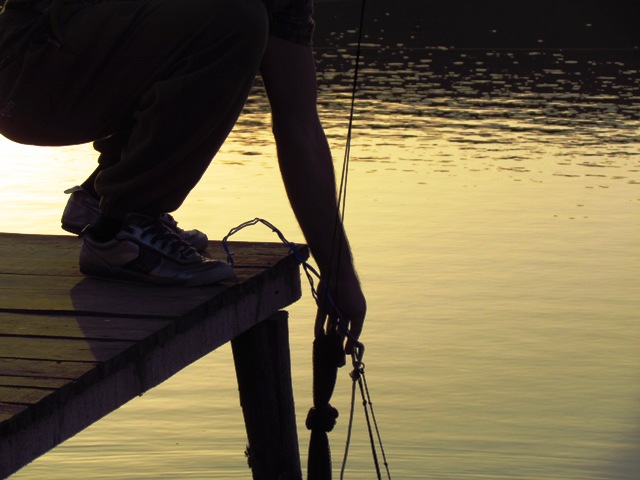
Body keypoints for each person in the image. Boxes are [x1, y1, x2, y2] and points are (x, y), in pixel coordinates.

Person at [0, 0, 365, 350]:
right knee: (234, 20)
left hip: (74, 78)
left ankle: (101, 202)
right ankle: (119, 229)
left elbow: (300, 127)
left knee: (231, 20)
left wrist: (338, 273)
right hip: (28, 68)